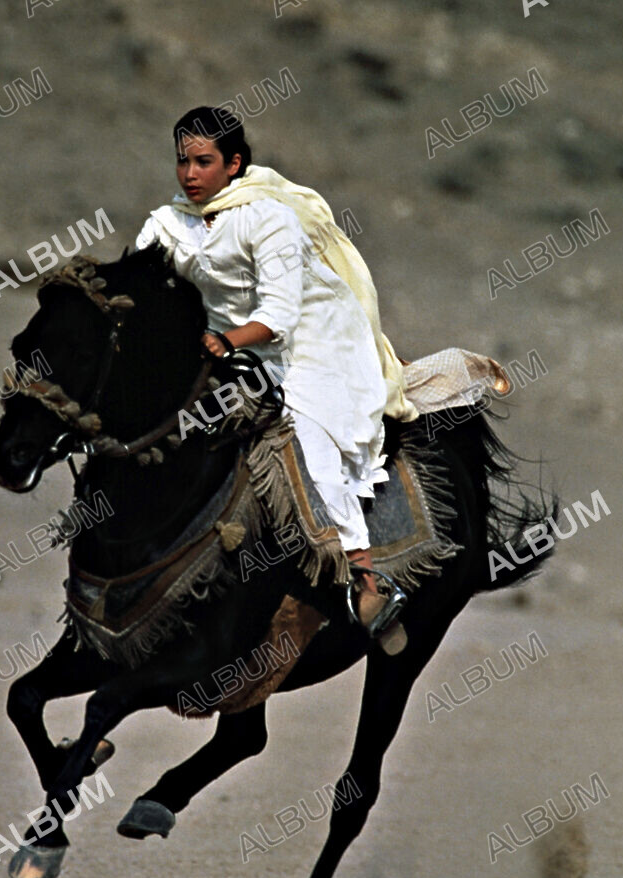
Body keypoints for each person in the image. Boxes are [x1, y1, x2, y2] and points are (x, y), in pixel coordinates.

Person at [135, 106, 418, 653]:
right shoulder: (167, 223)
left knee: (310, 442)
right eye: (182, 162)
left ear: (233, 163)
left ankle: (366, 578)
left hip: (308, 346)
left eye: (203, 162)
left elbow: (281, 316)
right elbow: (144, 280)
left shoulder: (268, 219)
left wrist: (226, 341)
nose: (189, 175)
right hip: (217, 351)